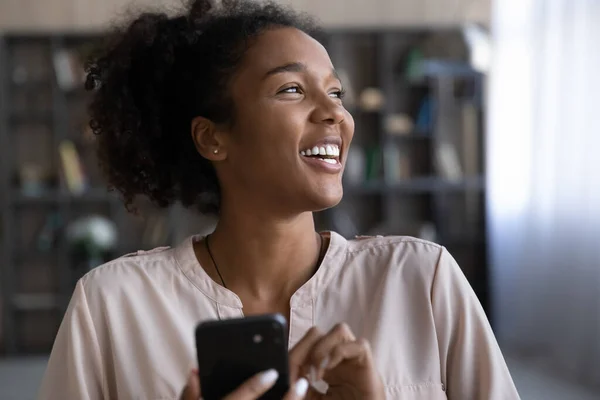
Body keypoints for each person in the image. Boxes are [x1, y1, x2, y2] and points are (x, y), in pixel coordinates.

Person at [38, 0, 520, 399]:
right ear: (212, 139)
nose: (335, 112)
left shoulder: (423, 279)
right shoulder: (112, 305)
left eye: (336, 91)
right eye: (291, 89)